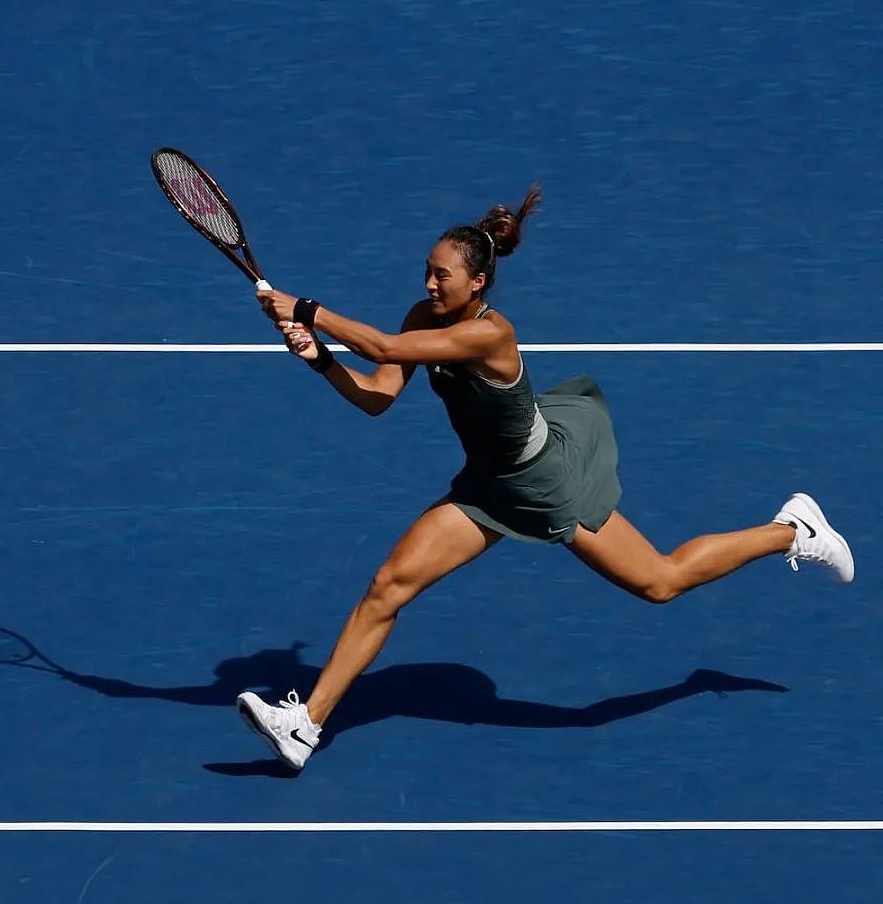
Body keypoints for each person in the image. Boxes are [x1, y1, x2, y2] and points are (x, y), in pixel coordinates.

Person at [236, 186, 855, 770]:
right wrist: (320, 362)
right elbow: (377, 395)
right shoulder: (423, 315)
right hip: (486, 486)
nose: (428, 282)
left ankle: (789, 530)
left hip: (542, 483)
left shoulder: (490, 333)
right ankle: (306, 725)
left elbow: (382, 350)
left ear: (477, 283)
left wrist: (308, 310)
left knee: (660, 582)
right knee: (389, 584)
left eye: (441, 275)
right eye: (426, 270)